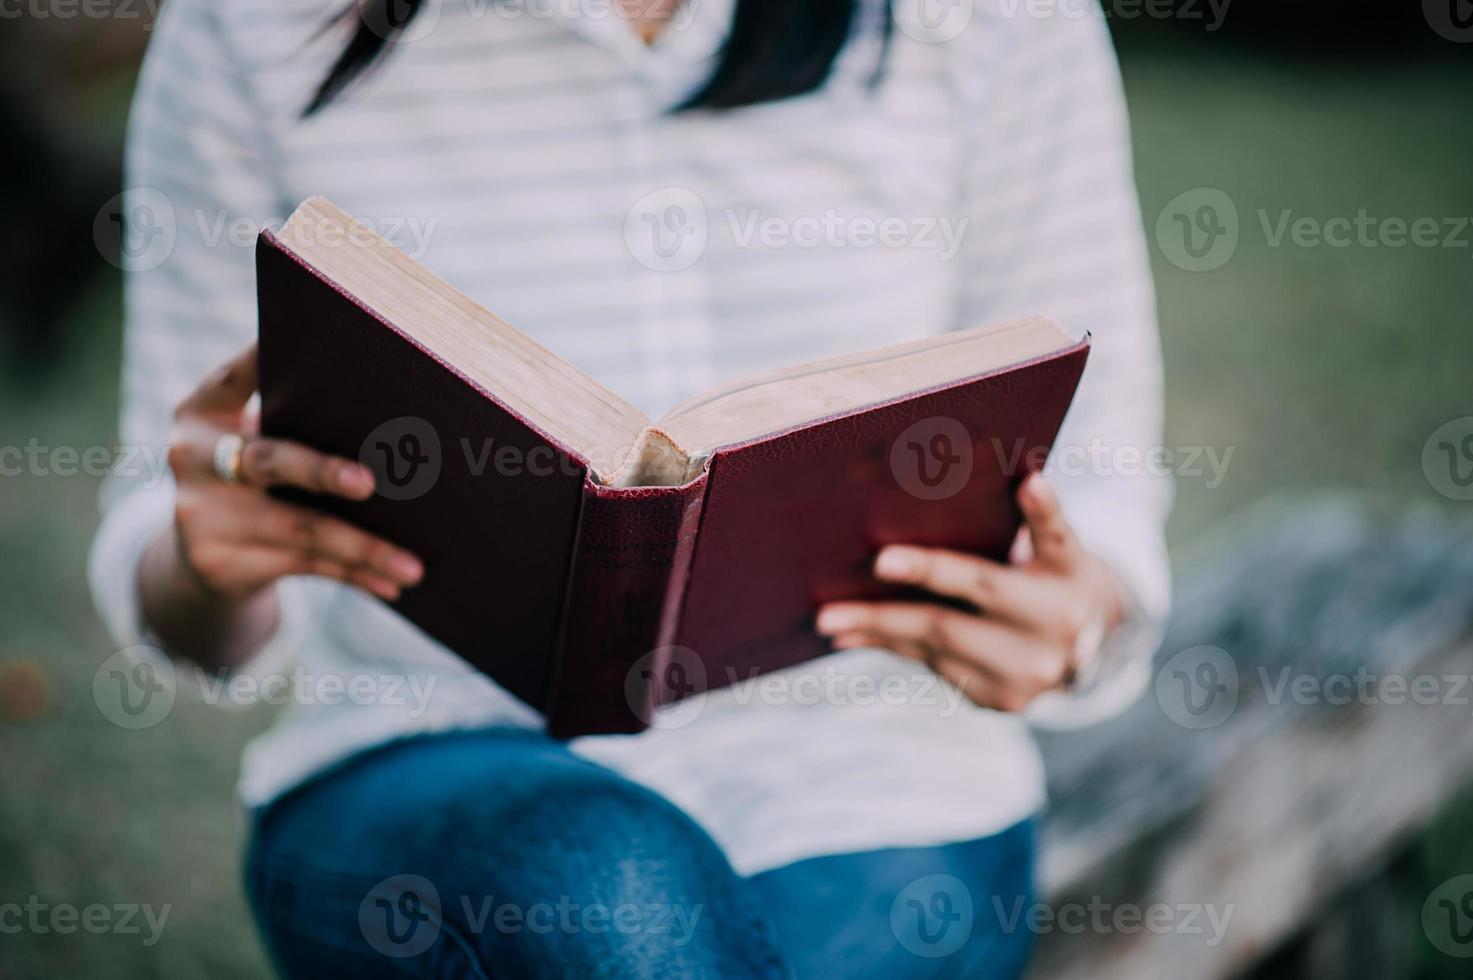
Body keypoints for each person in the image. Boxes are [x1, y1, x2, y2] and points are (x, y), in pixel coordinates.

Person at [91, 0, 1171, 975]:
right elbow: (168, 526)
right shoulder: (248, 25)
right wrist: (203, 562)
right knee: (606, 893)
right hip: (425, 756)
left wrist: (1075, 623)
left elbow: (1103, 489)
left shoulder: (997, 21)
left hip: (877, 780)